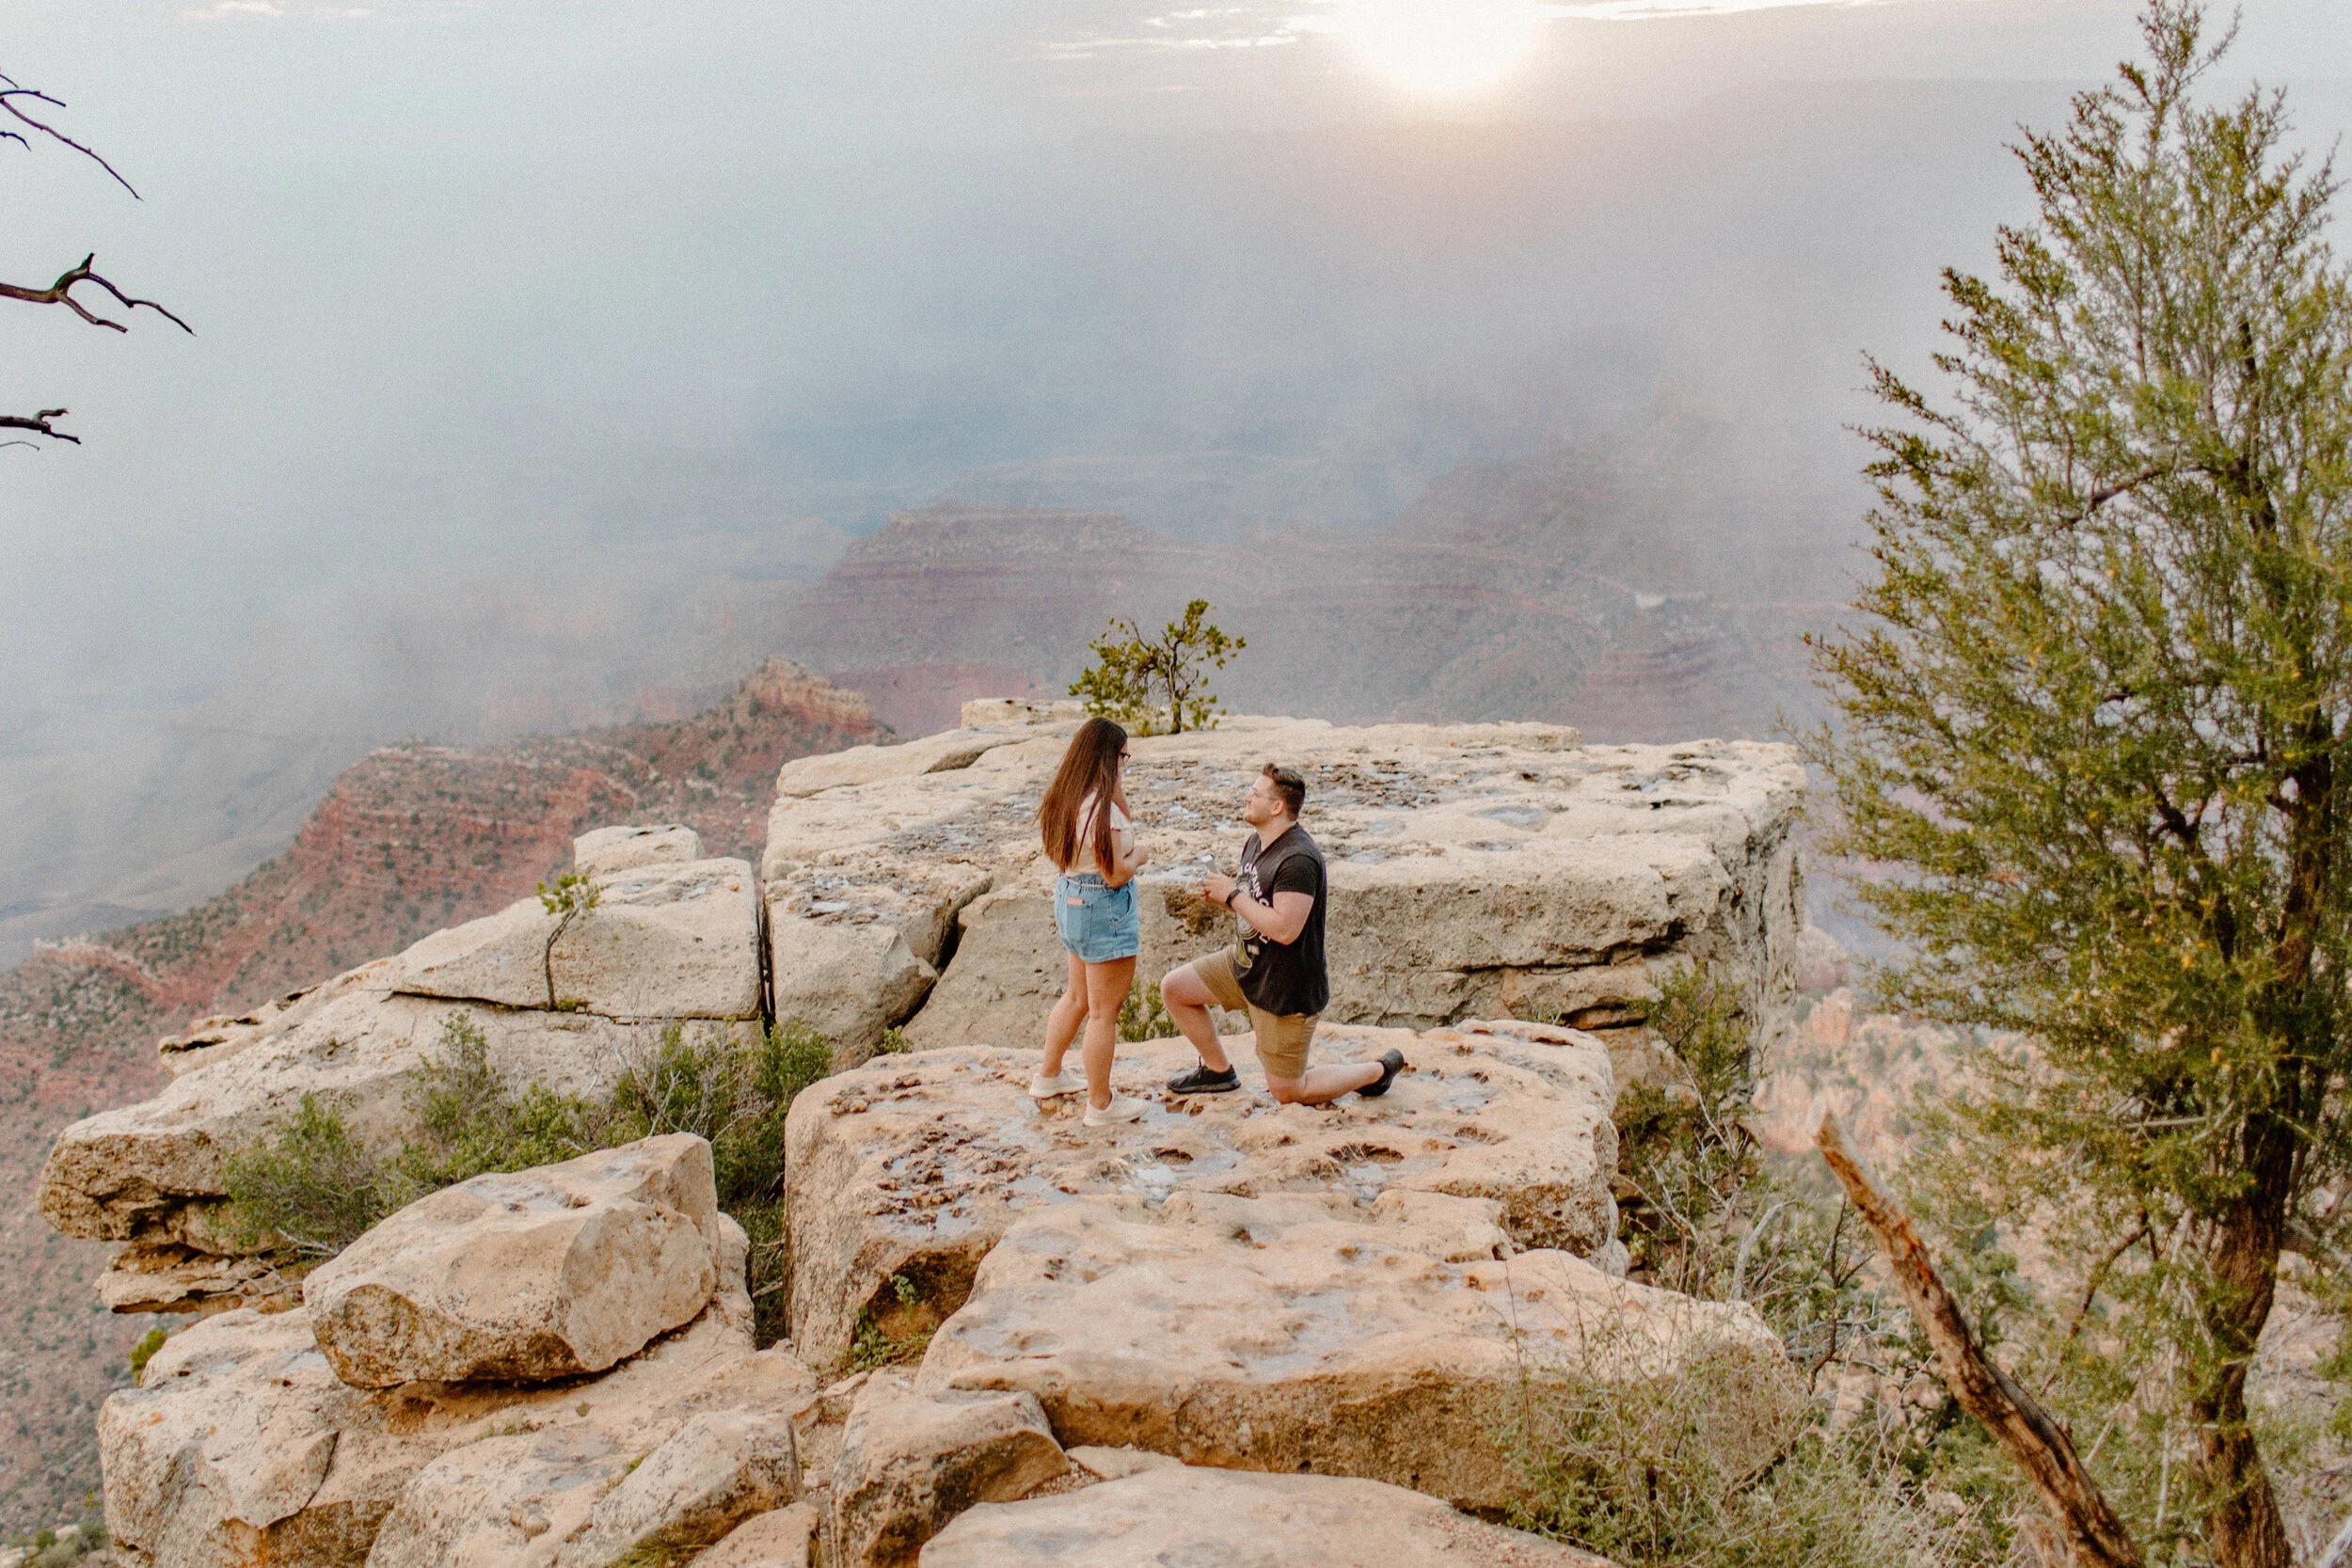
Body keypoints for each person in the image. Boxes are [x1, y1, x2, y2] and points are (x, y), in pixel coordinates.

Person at [1159, 762, 1405, 1103]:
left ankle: (1377, 1071)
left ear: (1276, 807)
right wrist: (1223, 899)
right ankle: (1218, 1072)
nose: (1247, 796)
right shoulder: (1256, 842)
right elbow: (1257, 907)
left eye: (1255, 793)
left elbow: (1286, 929)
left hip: (1285, 988)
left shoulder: (1298, 860)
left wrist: (1232, 895)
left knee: (1289, 1092)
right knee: (1175, 988)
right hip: (1249, 965)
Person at [1033, 717, 1153, 1126]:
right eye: (1123, 758)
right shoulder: (1104, 813)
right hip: (1105, 908)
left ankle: (1048, 1076)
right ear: (1110, 758)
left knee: (1076, 997)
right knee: (1104, 1012)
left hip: (1070, 896)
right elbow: (1117, 873)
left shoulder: (1064, 799)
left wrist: (1115, 789)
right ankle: (1101, 1105)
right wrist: (1139, 857)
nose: (1126, 765)